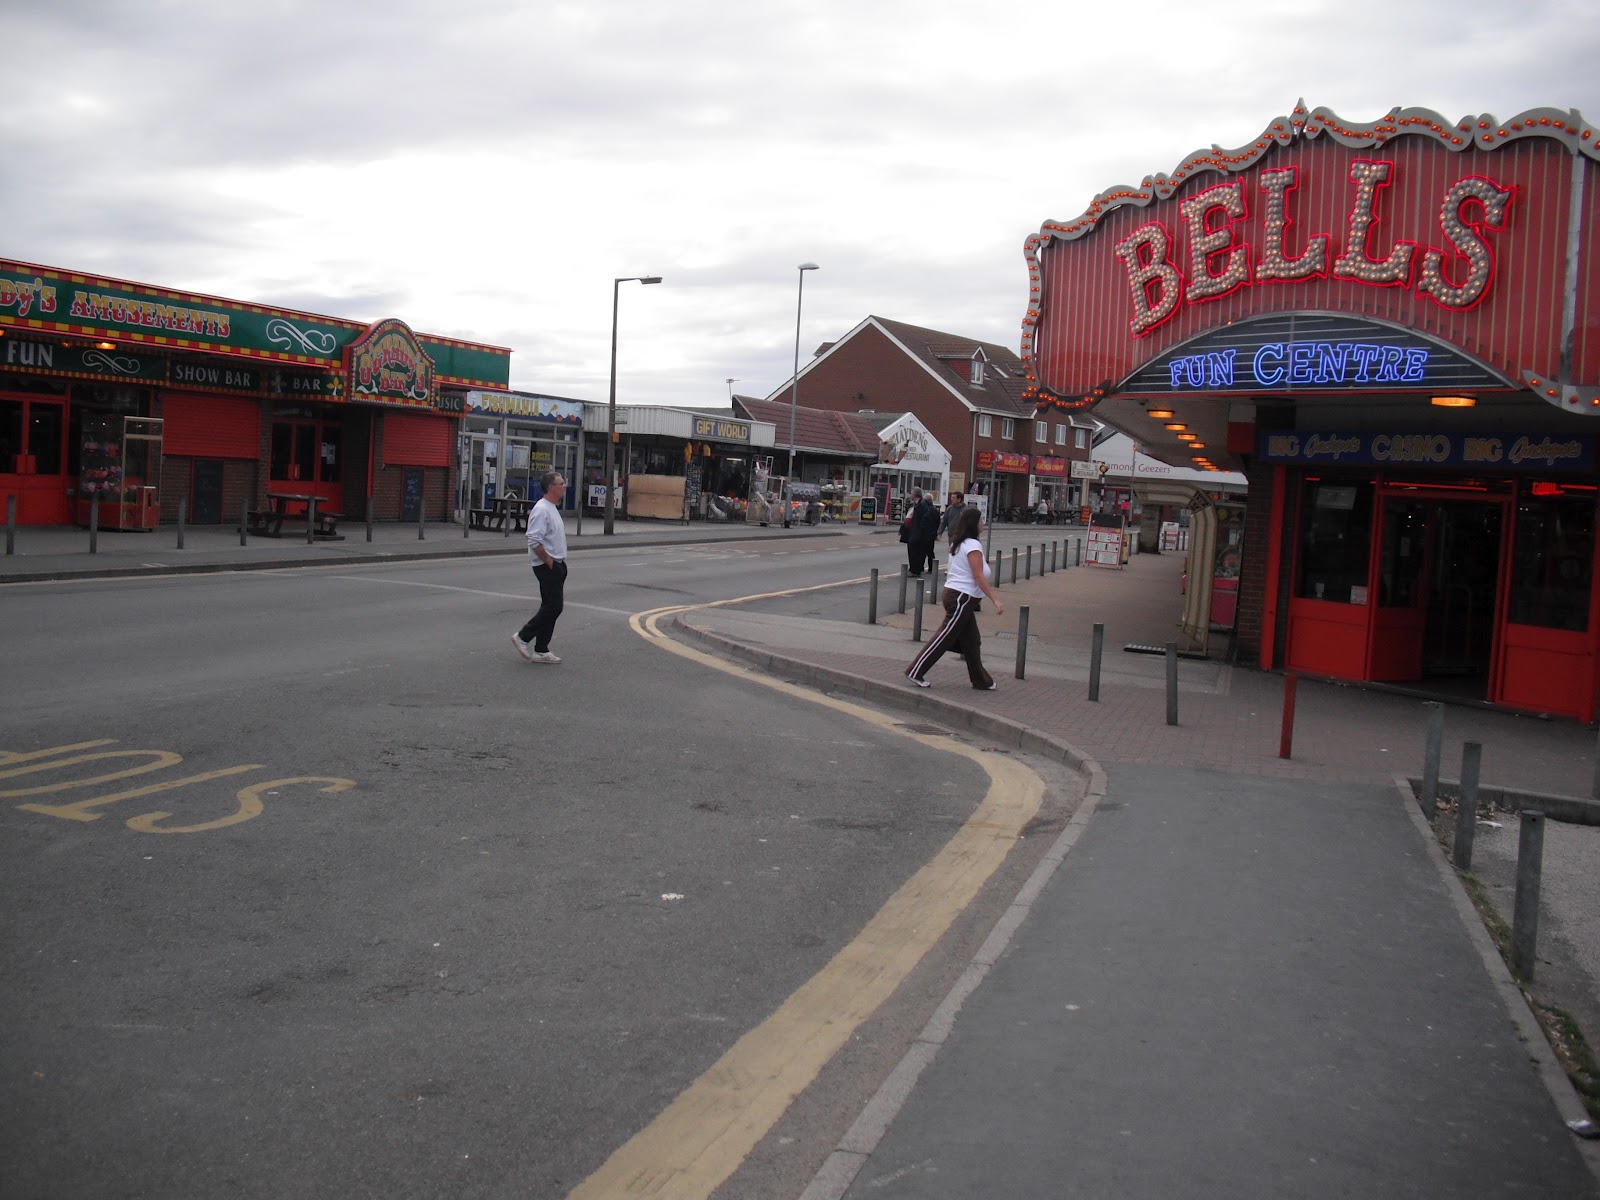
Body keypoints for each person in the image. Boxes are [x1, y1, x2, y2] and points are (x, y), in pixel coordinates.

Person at [905, 505, 1004, 690]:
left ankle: (981, 680)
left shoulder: (959, 543)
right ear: (974, 524)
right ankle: (915, 671)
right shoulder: (973, 545)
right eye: (981, 520)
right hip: (962, 598)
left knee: (972, 641)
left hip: (956, 595)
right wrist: (994, 598)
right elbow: (978, 575)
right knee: (944, 637)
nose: (983, 523)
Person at [511, 471, 568, 664]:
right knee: (554, 606)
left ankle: (542, 650)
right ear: (551, 487)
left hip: (557, 563)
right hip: (547, 565)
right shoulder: (542, 509)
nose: (564, 486)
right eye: (561, 483)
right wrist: (548, 560)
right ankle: (523, 636)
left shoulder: (551, 507)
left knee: (549, 606)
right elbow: (533, 539)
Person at [906, 488, 940, 577]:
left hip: (920, 533)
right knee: (917, 551)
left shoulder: (921, 504)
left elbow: (925, 518)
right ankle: (915, 569)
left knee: (919, 552)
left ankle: (916, 570)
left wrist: (920, 529)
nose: (911, 495)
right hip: (917, 532)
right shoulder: (916, 504)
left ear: (916, 495)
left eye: (912, 493)